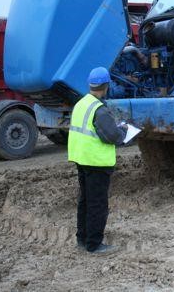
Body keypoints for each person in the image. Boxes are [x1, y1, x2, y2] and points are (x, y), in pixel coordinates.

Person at [68, 66, 127, 254]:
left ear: (90, 84)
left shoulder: (81, 103)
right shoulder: (100, 110)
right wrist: (124, 131)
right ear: (107, 86)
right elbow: (113, 137)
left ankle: (82, 239)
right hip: (96, 162)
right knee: (98, 204)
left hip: (81, 158)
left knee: (85, 201)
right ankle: (94, 244)